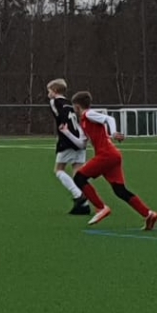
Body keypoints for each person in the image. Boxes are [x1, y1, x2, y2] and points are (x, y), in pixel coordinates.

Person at [69, 91, 157, 229]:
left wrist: (113, 133)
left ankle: (101, 208)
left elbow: (109, 119)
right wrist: (66, 133)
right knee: (119, 190)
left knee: (79, 178)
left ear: (76, 106)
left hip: (106, 155)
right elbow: (82, 143)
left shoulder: (88, 114)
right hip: (111, 156)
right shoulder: (83, 121)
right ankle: (148, 214)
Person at [46, 79, 90, 215]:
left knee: (58, 170)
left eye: (49, 91)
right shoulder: (70, 104)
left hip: (67, 140)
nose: (48, 94)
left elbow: (59, 116)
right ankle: (84, 205)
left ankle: (79, 195)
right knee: (77, 173)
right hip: (79, 138)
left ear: (54, 91)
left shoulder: (55, 102)